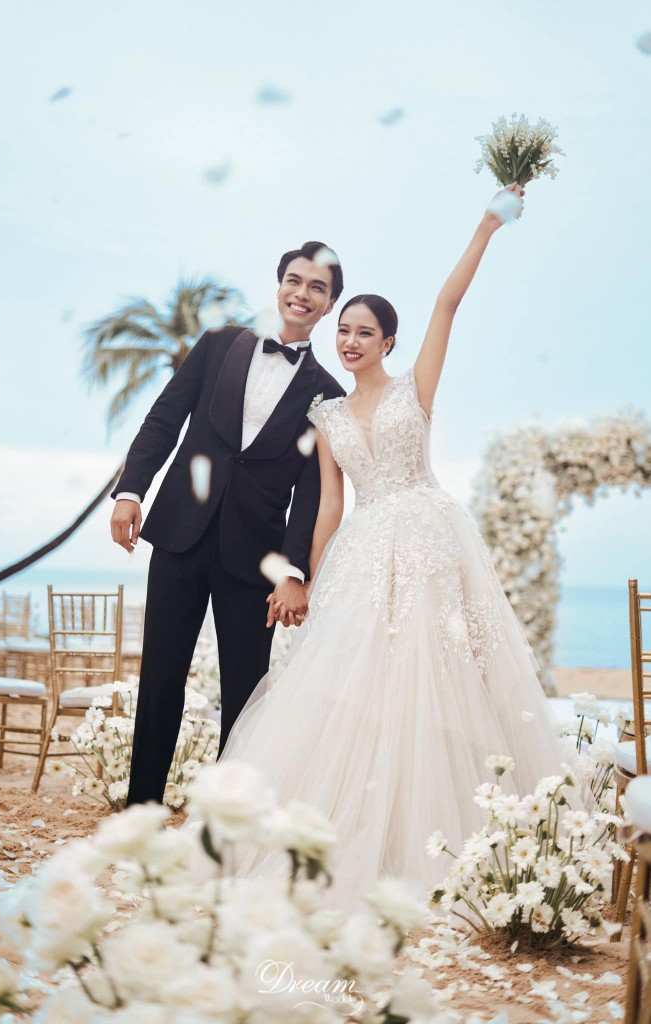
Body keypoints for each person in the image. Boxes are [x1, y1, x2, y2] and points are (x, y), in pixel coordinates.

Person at [186, 184, 575, 910]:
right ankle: (356, 824)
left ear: (387, 342)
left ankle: (456, 830)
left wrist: (487, 225)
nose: (351, 341)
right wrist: (304, 576)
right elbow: (330, 506)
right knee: (355, 683)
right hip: (363, 552)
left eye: (365, 332)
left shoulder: (414, 390)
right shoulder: (326, 414)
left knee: (434, 674)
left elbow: (447, 305)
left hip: (429, 541)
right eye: (345, 331)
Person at [110, 241, 346, 805]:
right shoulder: (218, 344)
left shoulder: (328, 395)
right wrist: (130, 490)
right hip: (178, 534)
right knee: (160, 678)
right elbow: (164, 418)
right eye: (295, 280)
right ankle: (142, 808)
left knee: (245, 696)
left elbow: (311, 495)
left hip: (257, 558)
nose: (302, 294)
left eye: (317, 287)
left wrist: (295, 573)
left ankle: (225, 817)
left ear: (330, 303)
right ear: (279, 285)